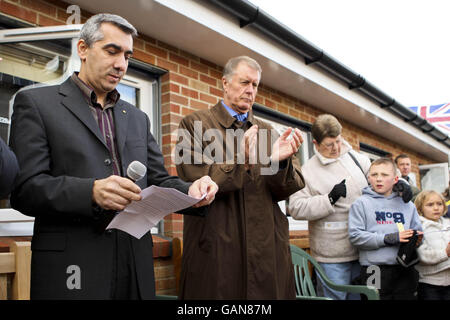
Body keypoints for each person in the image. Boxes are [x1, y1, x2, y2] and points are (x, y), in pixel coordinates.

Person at [9, 13, 218, 300]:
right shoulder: (36, 103)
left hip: (135, 263)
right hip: (73, 266)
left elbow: (157, 179)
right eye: (112, 51)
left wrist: (191, 191)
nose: (121, 64)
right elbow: (24, 189)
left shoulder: (137, 118)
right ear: (83, 49)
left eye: (127, 55)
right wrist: (90, 192)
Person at [175, 55, 305, 299]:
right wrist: (241, 161)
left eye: (255, 85)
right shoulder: (194, 124)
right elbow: (196, 179)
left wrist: (279, 162)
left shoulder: (268, 132)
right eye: (244, 82)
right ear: (225, 83)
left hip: (267, 249)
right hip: (218, 247)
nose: (250, 90)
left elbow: (286, 188)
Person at [288, 114, 371, 300]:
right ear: (316, 144)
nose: (336, 148)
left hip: (363, 250)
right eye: (329, 144)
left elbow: (381, 181)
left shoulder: (359, 161)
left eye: (338, 141)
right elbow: (296, 207)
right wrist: (329, 199)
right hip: (332, 257)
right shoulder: (308, 170)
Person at [348, 158, 423, 300]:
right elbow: (355, 237)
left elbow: (418, 233)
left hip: (404, 268)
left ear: (396, 179)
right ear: (368, 178)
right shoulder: (361, 204)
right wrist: (388, 238)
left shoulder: (408, 204)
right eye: (374, 175)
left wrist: (417, 239)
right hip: (373, 268)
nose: (379, 179)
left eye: (384, 175)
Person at [414, 190, 450, 300]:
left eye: (439, 204)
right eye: (430, 205)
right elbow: (423, 256)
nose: (436, 208)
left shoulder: (448, 223)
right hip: (429, 284)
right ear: (420, 208)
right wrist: (445, 253)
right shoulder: (419, 228)